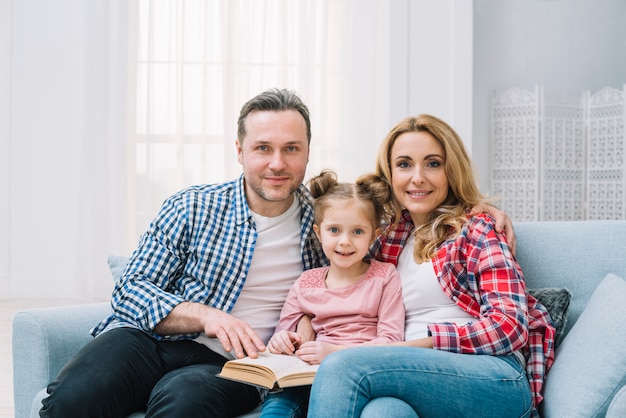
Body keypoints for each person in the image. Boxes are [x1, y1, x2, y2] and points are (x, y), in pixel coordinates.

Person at [40, 88, 515, 418]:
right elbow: (130, 291)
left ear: (308, 153)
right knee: (72, 399)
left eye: (291, 148)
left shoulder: (328, 223)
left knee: (183, 406)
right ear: (239, 150)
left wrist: (480, 209)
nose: (276, 163)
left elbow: (392, 216)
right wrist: (207, 317)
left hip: (232, 364)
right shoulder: (192, 205)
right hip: (148, 342)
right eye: (262, 148)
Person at [307, 114, 556, 418]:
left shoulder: (477, 229)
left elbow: (510, 327)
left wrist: (420, 344)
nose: (418, 177)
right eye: (404, 164)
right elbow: (334, 243)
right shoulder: (388, 237)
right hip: (410, 373)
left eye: (433, 163)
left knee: (342, 365)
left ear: (452, 170)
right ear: (389, 174)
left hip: (494, 375)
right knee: (384, 413)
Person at [260, 170, 405, 418]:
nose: (345, 241)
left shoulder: (384, 276)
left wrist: (333, 353)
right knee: (276, 407)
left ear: (374, 234)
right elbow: (282, 336)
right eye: (334, 230)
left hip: (361, 374)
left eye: (357, 231)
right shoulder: (306, 283)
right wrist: (282, 341)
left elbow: (391, 341)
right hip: (305, 376)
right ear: (319, 232)